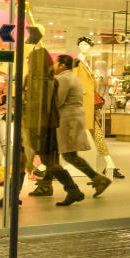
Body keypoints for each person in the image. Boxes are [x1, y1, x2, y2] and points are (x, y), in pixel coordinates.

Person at [25, 47, 84, 206]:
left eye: (30, 60)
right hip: (48, 127)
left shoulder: (37, 81)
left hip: (38, 127)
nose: (28, 63)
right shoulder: (52, 80)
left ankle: (73, 190)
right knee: (49, 162)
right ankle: (73, 190)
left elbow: (39, 105)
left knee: (31, 160)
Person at [53, 55, 111, 199]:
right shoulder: (71, 77)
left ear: (62, 65)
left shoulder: (64, 79)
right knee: (57, 154)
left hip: (68, 120)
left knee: (68, 155)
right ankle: (45, 184)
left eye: (55, 63)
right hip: (72, 118)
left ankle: (97, 179)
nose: (53, 65)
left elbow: (58, 101)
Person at [75, 37, 124, 180]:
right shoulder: (77, 62)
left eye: (86, 44)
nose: (84, 47)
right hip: (82, 105)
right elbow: (75, 84)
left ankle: (110, 165)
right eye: (81, 44)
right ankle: (46, 167)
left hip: (88, 105)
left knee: (97, 134)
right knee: (88, 135)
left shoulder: (86, 63)